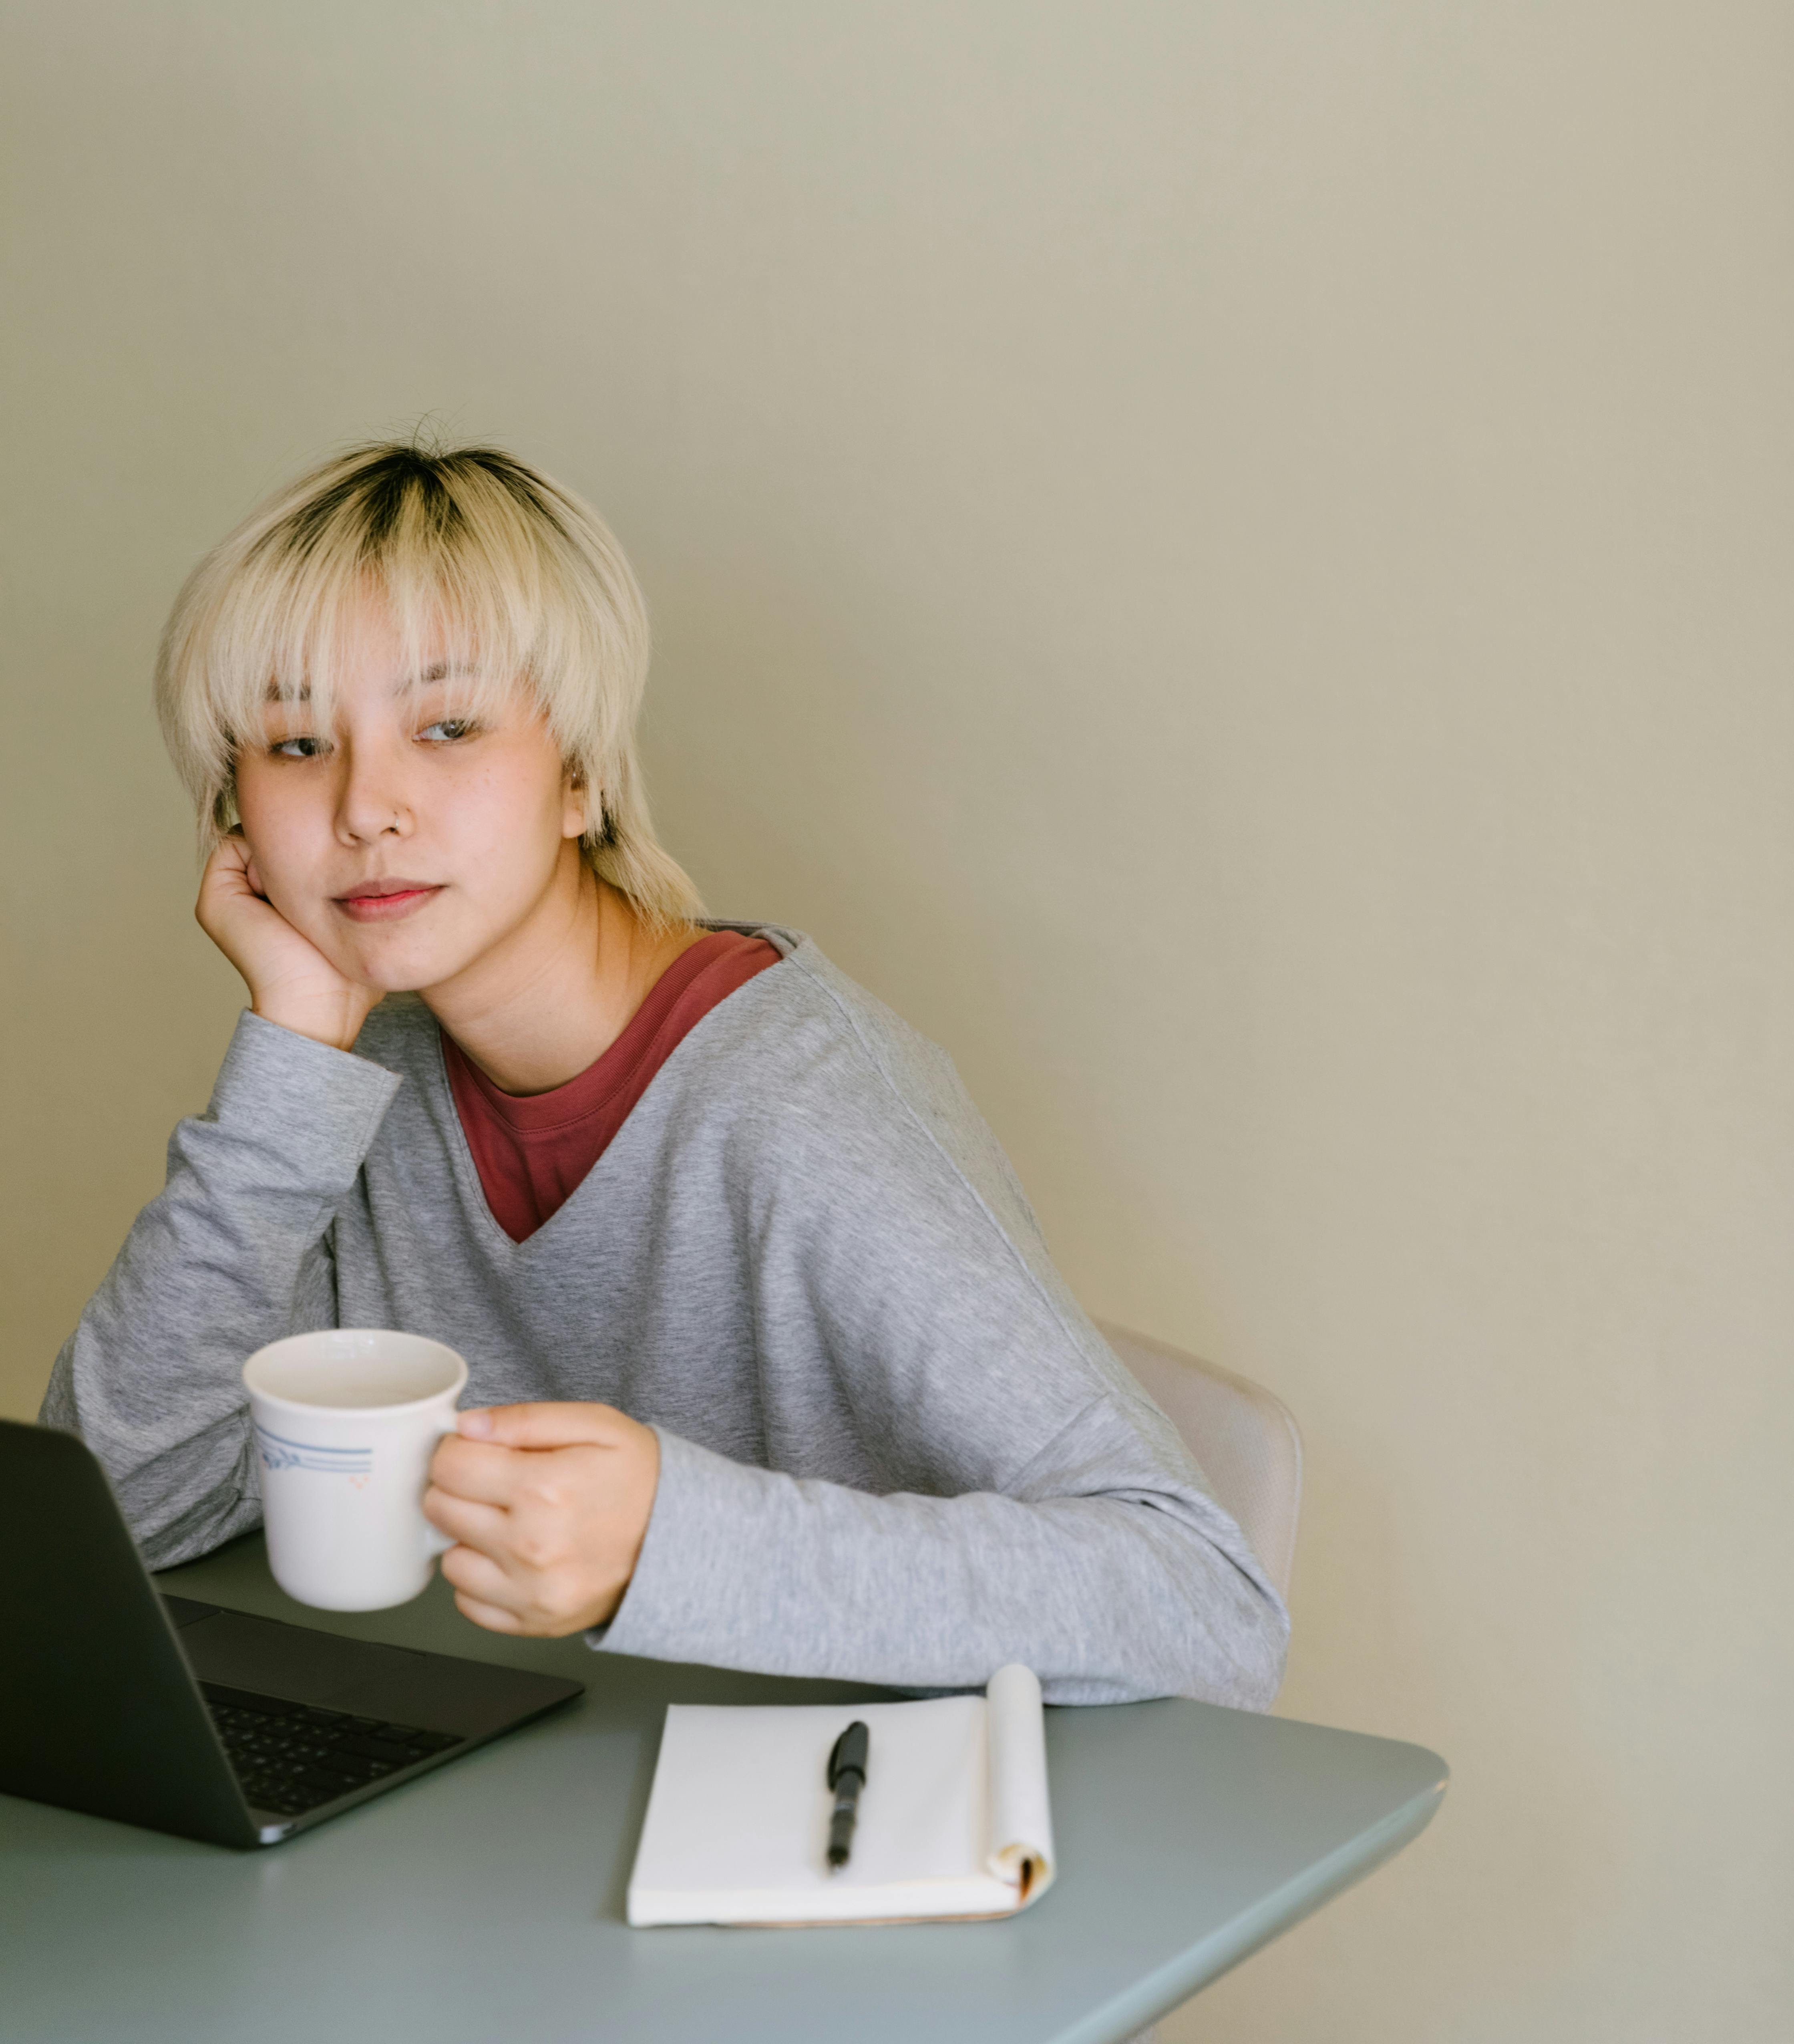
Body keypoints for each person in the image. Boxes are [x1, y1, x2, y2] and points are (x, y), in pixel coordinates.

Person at [42, 441, 1288, 1708]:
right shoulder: (357, 1089)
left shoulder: (798, 1104)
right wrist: (293, 1052)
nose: (368, 807)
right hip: (544, 1813)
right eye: (298, 745)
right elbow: (126, 1510)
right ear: (236, 821)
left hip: (864, 1830)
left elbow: (1206, 1603)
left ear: (580, 775)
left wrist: (668, 1542)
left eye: (450, 726)